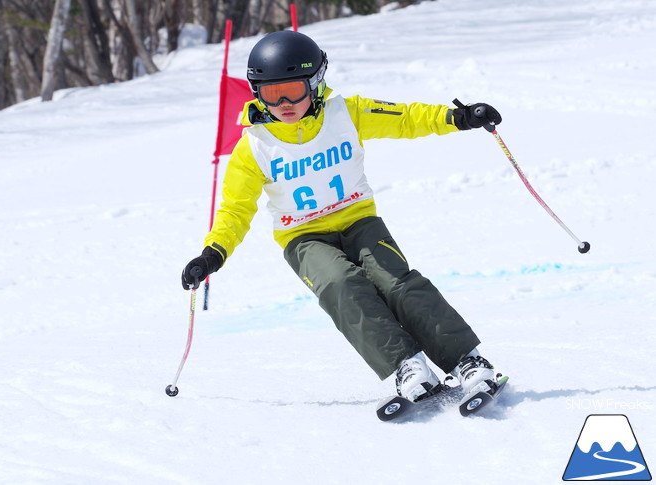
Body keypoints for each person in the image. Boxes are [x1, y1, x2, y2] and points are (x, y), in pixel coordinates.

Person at [181, 30, 503, 402]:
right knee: (340, 284)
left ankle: (466, 360)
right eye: (272, 93)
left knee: (396, 282)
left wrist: (458, 117)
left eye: (293, 90)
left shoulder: (347, 114)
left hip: (359, 221)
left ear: (315, 83)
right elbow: (234, 210)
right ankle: (406, 365)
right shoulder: (253, 147)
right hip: (303, 237)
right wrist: (212, 254)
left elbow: (405, 119)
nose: (284, 102)